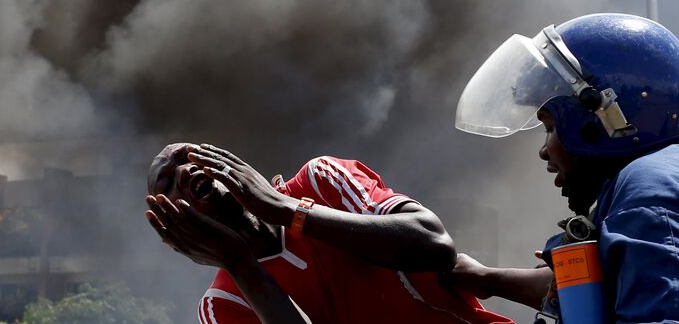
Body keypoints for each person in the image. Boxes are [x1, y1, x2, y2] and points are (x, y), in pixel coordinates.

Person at [449, 13, 679, 322]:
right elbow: (616, 287)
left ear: (604, 118)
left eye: (549, 126)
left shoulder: (647, 192)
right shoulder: (657, 179)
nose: (544, 151)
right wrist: (488, 278)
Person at [145, 143, 514, 323]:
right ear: (174, 223)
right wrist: (238, 262)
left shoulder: (319, 182)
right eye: (168, 181)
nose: (184, 171)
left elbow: (434, 246)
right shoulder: (223, 305)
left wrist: (286, 209)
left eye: (189, 157)